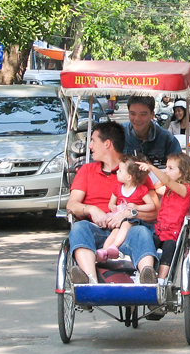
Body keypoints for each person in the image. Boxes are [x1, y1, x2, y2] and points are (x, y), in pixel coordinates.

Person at [67, 122, 159, 285]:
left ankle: (148, 283)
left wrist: (129, 214)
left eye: (93, 141)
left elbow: (155, 211)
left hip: (128, 231)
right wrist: (91, 209)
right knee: (79, 228)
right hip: (96, 230)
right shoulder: (87, 170)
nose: (90, 146)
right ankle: (90, 281)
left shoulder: (134, 171)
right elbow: (72, 205)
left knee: (142, 231)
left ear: (107, 143)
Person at [138, 153, 190, 281]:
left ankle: (161, 278)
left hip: (172, 233)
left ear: (182, 173)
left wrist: (152, 168)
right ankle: (146, 273)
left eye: (171, 168)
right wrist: (166, 175)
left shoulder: (184, 189)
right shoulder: (169, 189)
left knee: (169, 248)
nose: (166, 171)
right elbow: (158, 186)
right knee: (147, 244)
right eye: (166, 167)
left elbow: (167, 181)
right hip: (160, 230)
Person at [95, 154, 158, 263]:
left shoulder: (141, 190)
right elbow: (111, 204)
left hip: (133, 219)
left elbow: (151, 205)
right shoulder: (118, 188)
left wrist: (137, 207)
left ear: (129, 177)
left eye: (120, 171)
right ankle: (104, 251)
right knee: (114, 231)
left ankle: (114, 246)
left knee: (125, 224)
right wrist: (113, 207)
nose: (117, 172)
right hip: (120, 215)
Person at [123, 95, 182, 163]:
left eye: (143, 114)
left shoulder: (167, 139)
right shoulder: (118, 135)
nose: (137, 119)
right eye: (133, 114)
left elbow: (179, 168)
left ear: (152, 114)